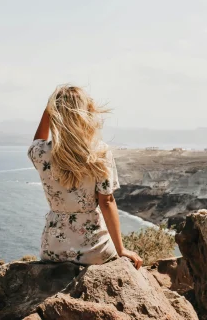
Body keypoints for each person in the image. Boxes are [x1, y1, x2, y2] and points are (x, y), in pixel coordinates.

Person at [28, 84, 143, 268]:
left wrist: (48, 110)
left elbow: (36, 141)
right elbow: (106, 202)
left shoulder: (41, 153)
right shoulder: (99, 152)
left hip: (53, 251)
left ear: (54, 114)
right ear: (85, 114)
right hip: (94, 251)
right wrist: (121, 250)